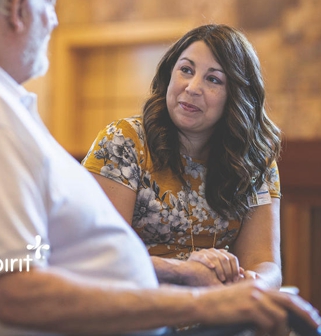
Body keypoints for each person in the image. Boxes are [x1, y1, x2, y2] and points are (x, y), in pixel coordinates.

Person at [0, 0, 321, 336]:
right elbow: (19, 294)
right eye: (51, 1)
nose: (55, 21)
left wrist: (192, 280)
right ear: (20, 6)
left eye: (213, 79)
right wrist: (206, 303)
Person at [82, 24, 283, 288]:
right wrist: (184, 270)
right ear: (169, 75)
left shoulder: (256, 161)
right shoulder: (123, 141)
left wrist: (254, 286)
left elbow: (264, 263)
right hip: (138, 306)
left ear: (236, 95)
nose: (192, 87)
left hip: (219, 308)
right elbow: (101, 252)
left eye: (213, 79)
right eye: (186, 70)